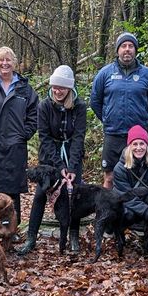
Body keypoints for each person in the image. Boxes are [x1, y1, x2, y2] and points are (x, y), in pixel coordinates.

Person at [19, 65, 88, 255]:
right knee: (41, 194)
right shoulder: (44, 106)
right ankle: (31, 237)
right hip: (49, 156)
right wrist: (59, 166)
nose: (58, 91)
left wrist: (72, 167)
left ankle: (73, 235)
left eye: (62, 88)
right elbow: (45, 137)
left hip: (72, 154)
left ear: (70, 89)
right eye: (55, 87)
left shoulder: (79, 106)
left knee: (73, 195)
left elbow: (79, 137)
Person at [0, 47, 39, 222]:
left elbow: (34, 115)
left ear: (14, 63)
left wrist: (23, 134)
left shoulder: (24, 89)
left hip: (15, 147)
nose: (4, 63)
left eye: (8, 60)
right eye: (1, 60)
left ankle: (12, 226)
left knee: (12, 189)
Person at [90, 32, 148, 188]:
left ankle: (135, 211)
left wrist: (142, 121)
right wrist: (107, 118)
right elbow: (95, 101)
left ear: (135, 50)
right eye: (123, 46)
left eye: (131, 46)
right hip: (113, 133)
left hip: (137, 136)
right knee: (110, 177)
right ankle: (107, 211)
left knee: (138, 177)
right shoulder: (105, 73)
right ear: (117, 50)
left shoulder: (146, 74)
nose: (127, 49)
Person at [112, 125, 148, 255]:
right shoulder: (119, 169)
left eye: (142, 144)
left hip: (146, 201)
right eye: (135, 144)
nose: (139, 148)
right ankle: (119, 236)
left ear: (147, 146)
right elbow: (126, 198)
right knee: (128, 213)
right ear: (129, 146)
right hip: (126, 204)